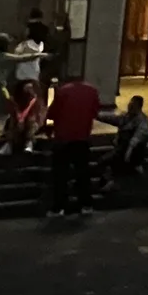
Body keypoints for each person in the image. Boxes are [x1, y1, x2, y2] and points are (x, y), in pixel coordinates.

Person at [46, 74, 102, 218]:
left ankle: (59, 207)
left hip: (63, 138)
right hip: (82, 137)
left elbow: (52, 114)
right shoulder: (92, 91)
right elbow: (95, 112)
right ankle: (86, 204)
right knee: (82, 173)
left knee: (61, 175)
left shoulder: (63, 91)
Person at [6, 20, 47, 153]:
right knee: (30, 113)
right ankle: (27, 141)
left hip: (24, 81)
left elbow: (17, 55)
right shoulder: (39, 45)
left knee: (20, 113)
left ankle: (15, 142)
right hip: (32, 80)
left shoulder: (27, 45)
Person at [112, 92, 148, 180]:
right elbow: (116, 122)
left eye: (132, 105)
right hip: (123, 146)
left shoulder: (143, 120)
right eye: (130, 104)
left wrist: (129, 151)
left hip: (134, 149)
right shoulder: (126, 116)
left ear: (138, 107)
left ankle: (135, 164)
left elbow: (137, 137)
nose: (129, 107)